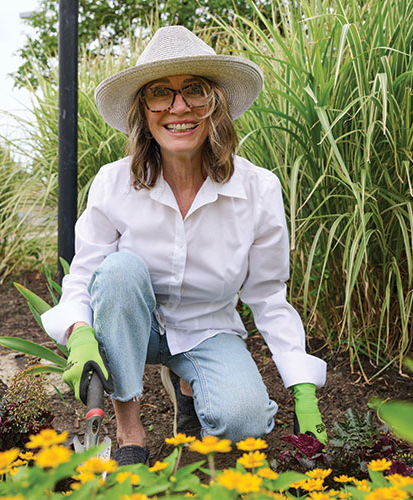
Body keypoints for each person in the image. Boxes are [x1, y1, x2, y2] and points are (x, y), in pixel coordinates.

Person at [41, 26, 327, 466]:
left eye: (194, 91)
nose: (179, 108)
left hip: (207, 328)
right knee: (119, 273)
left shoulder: (258, 189)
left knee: (244, 422)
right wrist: (79, 334)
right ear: (144, 109)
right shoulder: (113, 183)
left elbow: (268, 294)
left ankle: (188, 387)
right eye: (161, 93)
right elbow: (85, 274)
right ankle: (129, 434)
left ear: (217, 104)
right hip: (131, 326)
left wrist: (302, 385)